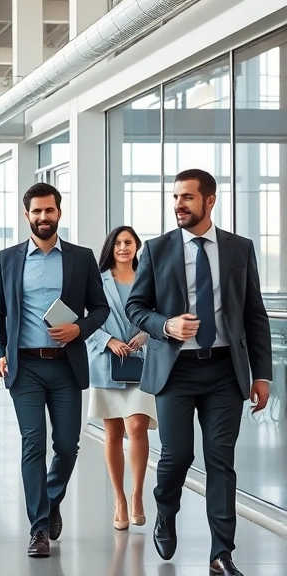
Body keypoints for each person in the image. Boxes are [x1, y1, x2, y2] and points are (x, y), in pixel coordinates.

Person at [126, 169, 271, 576]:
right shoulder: (157, 249)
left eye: (187, 197)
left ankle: (220, 554)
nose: (178, 205)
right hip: (176, 370)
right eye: (175, 197)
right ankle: (165, 509)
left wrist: (262, 374)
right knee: (177, 455)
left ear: (210, 200)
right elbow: (135, 308)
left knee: (220, 460)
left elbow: (254, 315)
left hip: (225, 369)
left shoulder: (239, 249)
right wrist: (166, 326)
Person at [0, 183, 109, 558]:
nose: (43, 217)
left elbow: (100, 308)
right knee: (32, 445)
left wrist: (79, 329)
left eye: (49, 211)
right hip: (25, 367)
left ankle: (52, 498)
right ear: (27, 215)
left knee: (67, 447)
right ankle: (38, 528)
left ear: (59, 212)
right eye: (36, 212)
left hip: (66, 367)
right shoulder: (8, 259)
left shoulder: (81, 257)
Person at [84, 226, 156, 532]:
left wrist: (145, 333)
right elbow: (81, 321)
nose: (123, 247)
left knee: (137, 426)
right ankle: (119, 499)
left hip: (141, 362)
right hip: (107, 363)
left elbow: (161, 315)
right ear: (110, 248)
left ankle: (138, 494)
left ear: (137, 246)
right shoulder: (97, 282)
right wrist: (107, 340)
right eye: (118, 243)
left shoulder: (148, 279)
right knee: (113, 433)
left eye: (128, 242)